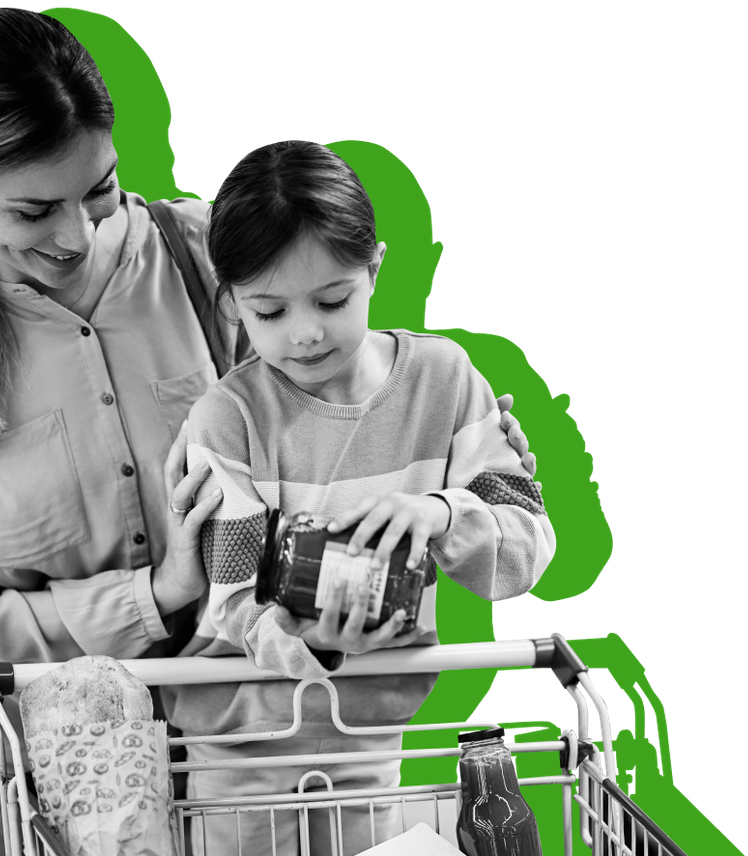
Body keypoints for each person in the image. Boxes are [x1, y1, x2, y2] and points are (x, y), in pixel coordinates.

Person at [0, 9, 537, 855]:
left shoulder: (206, 257)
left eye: (99, 187)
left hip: (245, 758)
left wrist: (467, 488)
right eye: (33, 212)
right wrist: (157, 592)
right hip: (15, 776)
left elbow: (330, 435)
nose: (79, 234)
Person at [160, 140, 555, 856]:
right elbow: (233, 598)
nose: (305, 333)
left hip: (372, 743)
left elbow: (524, 545)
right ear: (232, 302)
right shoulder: (227, 418)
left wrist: (439, 512)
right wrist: (322, 642)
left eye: (332, 299)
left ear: (373, 267)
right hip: (241, 753)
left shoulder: (445, 381)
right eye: (269, 312)